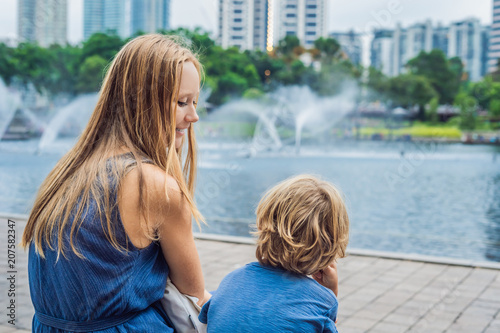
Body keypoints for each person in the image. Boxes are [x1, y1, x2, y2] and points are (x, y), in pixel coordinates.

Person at [20, 34, 210, 332]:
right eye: (181, 102)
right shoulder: (154, 186)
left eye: (195, 102)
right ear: (142, 100)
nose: (194, 116)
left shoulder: (67, 171)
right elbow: (195, 304)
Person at [199, 175, 350, 332]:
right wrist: (329, 293)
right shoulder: (322, 301)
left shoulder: (231, 280)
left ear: (263, 223)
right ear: (331, 244)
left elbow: (208, 317)